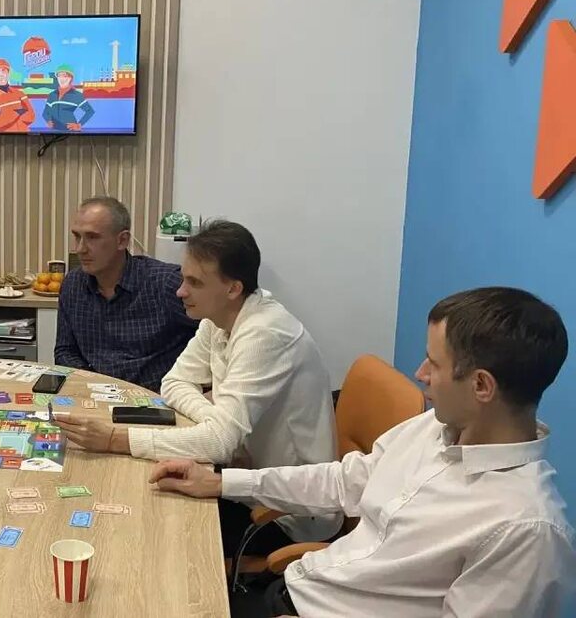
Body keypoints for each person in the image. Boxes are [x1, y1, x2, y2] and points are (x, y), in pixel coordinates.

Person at [151, 287, 576, 617]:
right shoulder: (435, 428)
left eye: (434, 364)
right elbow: (343, 481)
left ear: (481, 385)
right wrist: (220, 482)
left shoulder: (524, 529)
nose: (420, 374)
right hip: (300, 588)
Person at [56, 219, 338, 557]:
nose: (180, 292)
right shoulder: (219, 317)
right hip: (247, 479)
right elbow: (174, 382)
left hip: (287, 515)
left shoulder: (265, 333)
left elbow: (218, 444)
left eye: (194, 282)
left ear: (233, 288)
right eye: (183, 279)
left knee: (147, 531)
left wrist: (115, 439)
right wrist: (213, 418)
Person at [53, 196, 198, 392]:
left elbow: (218, 334)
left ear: (122, 240)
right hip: (94, 394)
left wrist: (204, 390)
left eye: (92, 237)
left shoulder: (167, 283)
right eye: (77, 237)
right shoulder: (73, 285)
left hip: (156, 398)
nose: (80, 249)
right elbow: (65, 351)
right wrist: (92, 384)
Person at [43, 64, 94, 131]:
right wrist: (48, 120)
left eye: (65, 76)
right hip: (54, 132)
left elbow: (90, 111)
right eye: (59, 76)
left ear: (71, 78)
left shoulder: (77, 95)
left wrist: (79, 125)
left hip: (71, 132)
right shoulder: (52, 95)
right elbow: (45, 113)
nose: (62, 79)